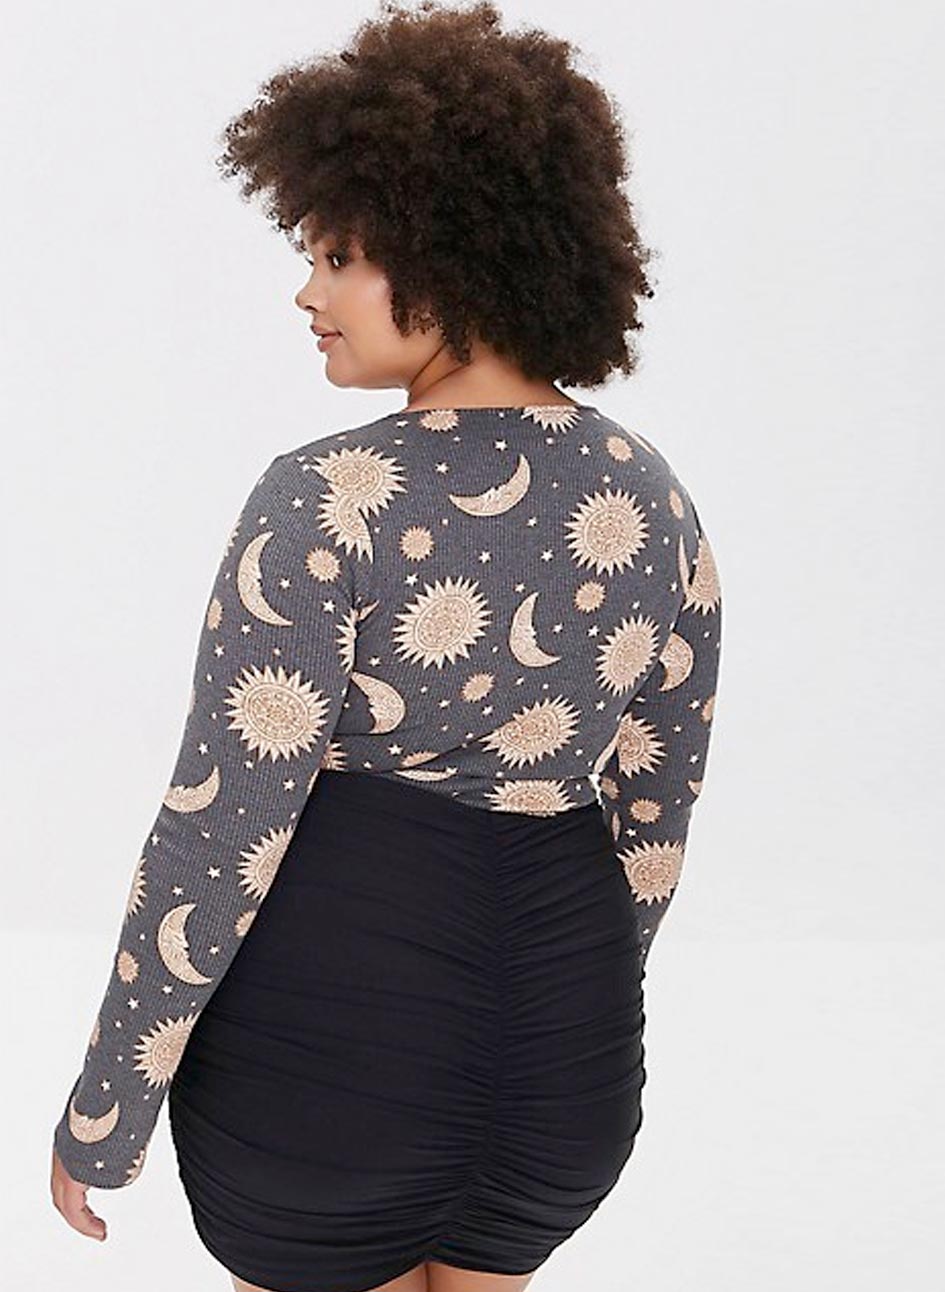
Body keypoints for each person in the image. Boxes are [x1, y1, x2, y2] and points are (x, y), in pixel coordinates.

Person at [49, 4, 723, 1291]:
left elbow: (223, 822)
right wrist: (565, 1008)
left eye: (341, 256)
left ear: (449, 247)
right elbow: (654, 815)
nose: (308, 292)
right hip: (564, 1062)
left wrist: (109, 1101)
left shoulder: (327, 495)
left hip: (330, 1048)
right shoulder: (651, 493)